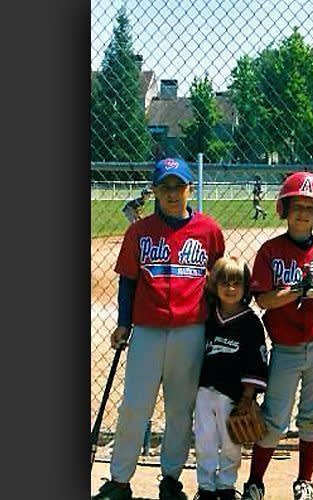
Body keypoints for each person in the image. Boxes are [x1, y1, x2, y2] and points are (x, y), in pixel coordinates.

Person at [94, 157, 226, 500]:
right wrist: (124, 323)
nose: (172, 193)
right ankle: (120, 480)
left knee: (180, 410)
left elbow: (218, 284)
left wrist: (216, 328)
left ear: (190, 189)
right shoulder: (139, 231)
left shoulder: (209, 230)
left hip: (191, 330)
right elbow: (128, 282)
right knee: (134, 406)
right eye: (164, 186)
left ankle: (171, 480)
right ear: (153, 190)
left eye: (178, 186)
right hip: (148, 330)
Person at [241, 172, 313, 500]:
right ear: (284, 209)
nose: (303, 213)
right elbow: (262, 300)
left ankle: (304, 482)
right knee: (274, 419)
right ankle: (255, 483)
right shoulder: (270, 251)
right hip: (286, 347)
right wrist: (299, 289)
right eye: (297, 206)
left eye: (310, 207)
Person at [192, 257, 269, 500]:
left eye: (237, 283)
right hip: (204, 390)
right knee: (204, 441)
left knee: (231, 443)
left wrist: (248, 396)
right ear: (215, 285)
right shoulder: (207, 316)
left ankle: (226, 486)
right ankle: (205, 487)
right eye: (225, 283)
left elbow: (256, 361)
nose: (231, 288)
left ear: (246, 288)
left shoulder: (250, 323)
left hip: (233, 395)